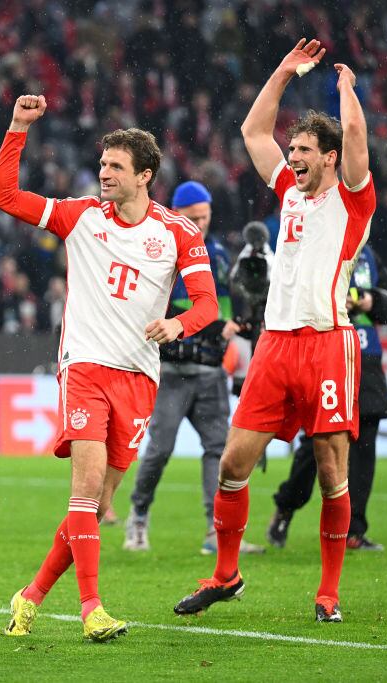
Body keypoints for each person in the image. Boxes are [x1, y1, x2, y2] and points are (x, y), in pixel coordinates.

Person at [0, 95, 218, 642]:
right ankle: (92, 609)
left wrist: (177, 326)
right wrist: (19, 127)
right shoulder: (82, 216)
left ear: (145, 175)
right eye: (102, 165)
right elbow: (2, 194)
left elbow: (207, 303)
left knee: (97, 504)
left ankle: (30, 596)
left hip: (139, 377)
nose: (103, 174)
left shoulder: (178, 233)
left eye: (115, 167)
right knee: (86, 491)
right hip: (86, 367)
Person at [174, 39, 375, 625]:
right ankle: (226, 575)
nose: (292, 157)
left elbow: (358, 141)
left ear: (331, 157)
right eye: (293, 150)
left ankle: (329, 592)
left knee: (332, 469)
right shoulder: (287, 190)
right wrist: (284, 74)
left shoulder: (353, 200)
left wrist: (346, 95)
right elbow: (252, 132)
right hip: (275, 346)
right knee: (235, 464)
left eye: (305, 149)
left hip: (327, 344)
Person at [122, 181, 264, 556]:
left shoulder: (216, 254)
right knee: (160, 449)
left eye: (205, 216)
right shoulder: (157, 248)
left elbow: (226, 303)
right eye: (192, 217)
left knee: (218, 450)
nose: (200, 224)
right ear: (176, 213)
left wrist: (236, 322)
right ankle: (138, 515)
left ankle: (215, 531)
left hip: (210, 370)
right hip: (172, 370)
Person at [266, 244, 387, 552]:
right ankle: (286, 505)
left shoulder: (368, 255)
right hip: (326, 356)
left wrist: (370, 300)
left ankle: (354, 531)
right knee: (317, 446)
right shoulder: (315, 245)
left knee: (364, 447)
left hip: (366, 361)